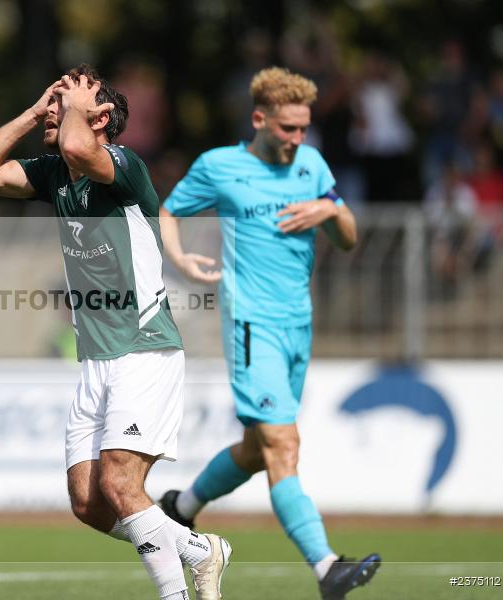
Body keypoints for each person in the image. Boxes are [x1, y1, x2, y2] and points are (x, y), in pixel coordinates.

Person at [0, 64, 231, 600]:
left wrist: (71, 113)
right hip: (96, 361)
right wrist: (36, 112)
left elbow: (83, 152)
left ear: (102, 117)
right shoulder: (56, 173)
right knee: (88, 502)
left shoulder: (123, 166)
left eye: (68, 99)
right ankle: (202, 551)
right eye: (52, 101)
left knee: (121, 484)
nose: (53, 108)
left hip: (144, 350)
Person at [158, 67, 381, 600]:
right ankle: (327, 569)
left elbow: (349, 237)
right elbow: (167, 210)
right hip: (251, 325)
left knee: (258, 449)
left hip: (299, 325)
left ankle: (180, 509)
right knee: (283, 444)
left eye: (304, 129)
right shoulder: (220, 166)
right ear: (260, 119)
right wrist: (182, 258)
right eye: (287, 129)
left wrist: (330, 210)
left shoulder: (311, 164)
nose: (297, 140)